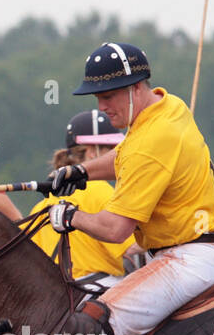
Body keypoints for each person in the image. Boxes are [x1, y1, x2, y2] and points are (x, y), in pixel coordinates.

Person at [45, 42, 214, 335]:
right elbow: (124, 155)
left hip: (189, 260)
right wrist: (82, 172)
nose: (101, 107)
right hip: (204, 250)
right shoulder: (167, 105)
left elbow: (116, 229)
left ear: (134, 88)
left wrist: (70, 216)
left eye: (108, 96)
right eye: (98, 98)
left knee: (88, 330)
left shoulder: (152, 141)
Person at [30, 109, 137, 286]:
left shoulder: (43, 203)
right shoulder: (101, 190)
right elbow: (131, 248)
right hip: (97, 289)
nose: (120, 155)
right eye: (113, 150)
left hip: (52, 295)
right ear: (92, 152)